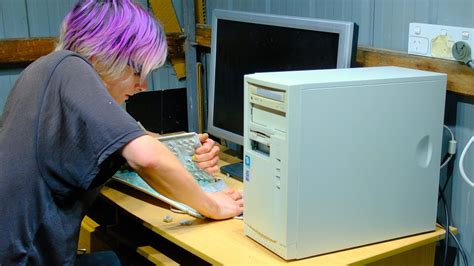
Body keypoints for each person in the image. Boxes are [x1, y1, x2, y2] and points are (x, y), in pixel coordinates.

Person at [0, 0, 243, 264]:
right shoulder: (70, 68)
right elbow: (146, 157)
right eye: (136, 69)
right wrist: (213, 205)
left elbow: (125, 137)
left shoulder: (47, 72)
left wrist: (181, 146)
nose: (143, 85)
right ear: (100, 55)